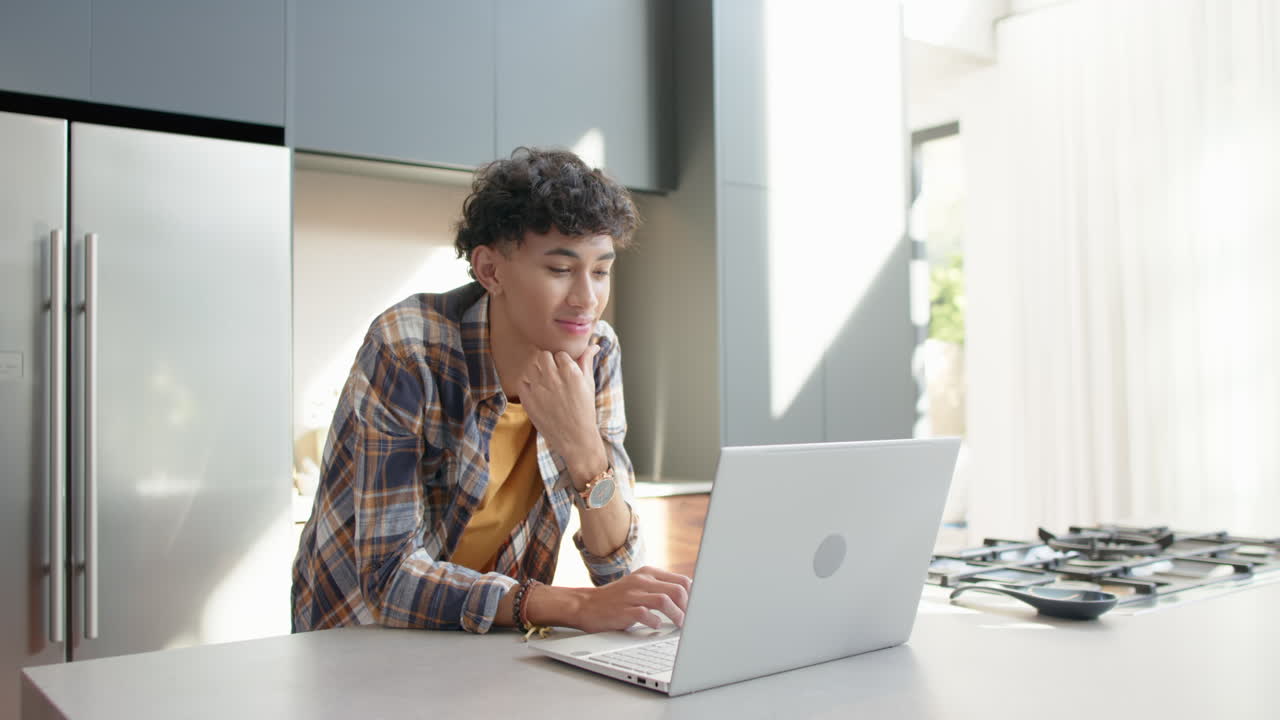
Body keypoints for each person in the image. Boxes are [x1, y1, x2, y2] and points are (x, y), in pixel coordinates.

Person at [291, 147, 691, 636]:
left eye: (601, 270)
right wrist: (577, 606)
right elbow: (388, 578)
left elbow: (620, 570)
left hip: (485, 640)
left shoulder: (597, 353)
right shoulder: (410, 348)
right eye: (560, 270)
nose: (587, 298)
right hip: (355, 640)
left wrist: (585, 449)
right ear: (490, 271)